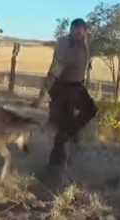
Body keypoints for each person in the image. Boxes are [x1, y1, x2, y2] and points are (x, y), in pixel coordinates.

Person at [31, 18, 98, 166]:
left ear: (85, 33)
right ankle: (55, 166)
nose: (78, 36)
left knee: (91, 109)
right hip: (62, 89)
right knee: (62, 125)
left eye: (81, 33)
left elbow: (85, 65)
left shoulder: (85, 44)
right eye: (74, 33)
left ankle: (70, 133)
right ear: (70, 31)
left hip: (77, 87)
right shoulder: (65, 47)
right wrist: (41, 96)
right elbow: (54, 73)